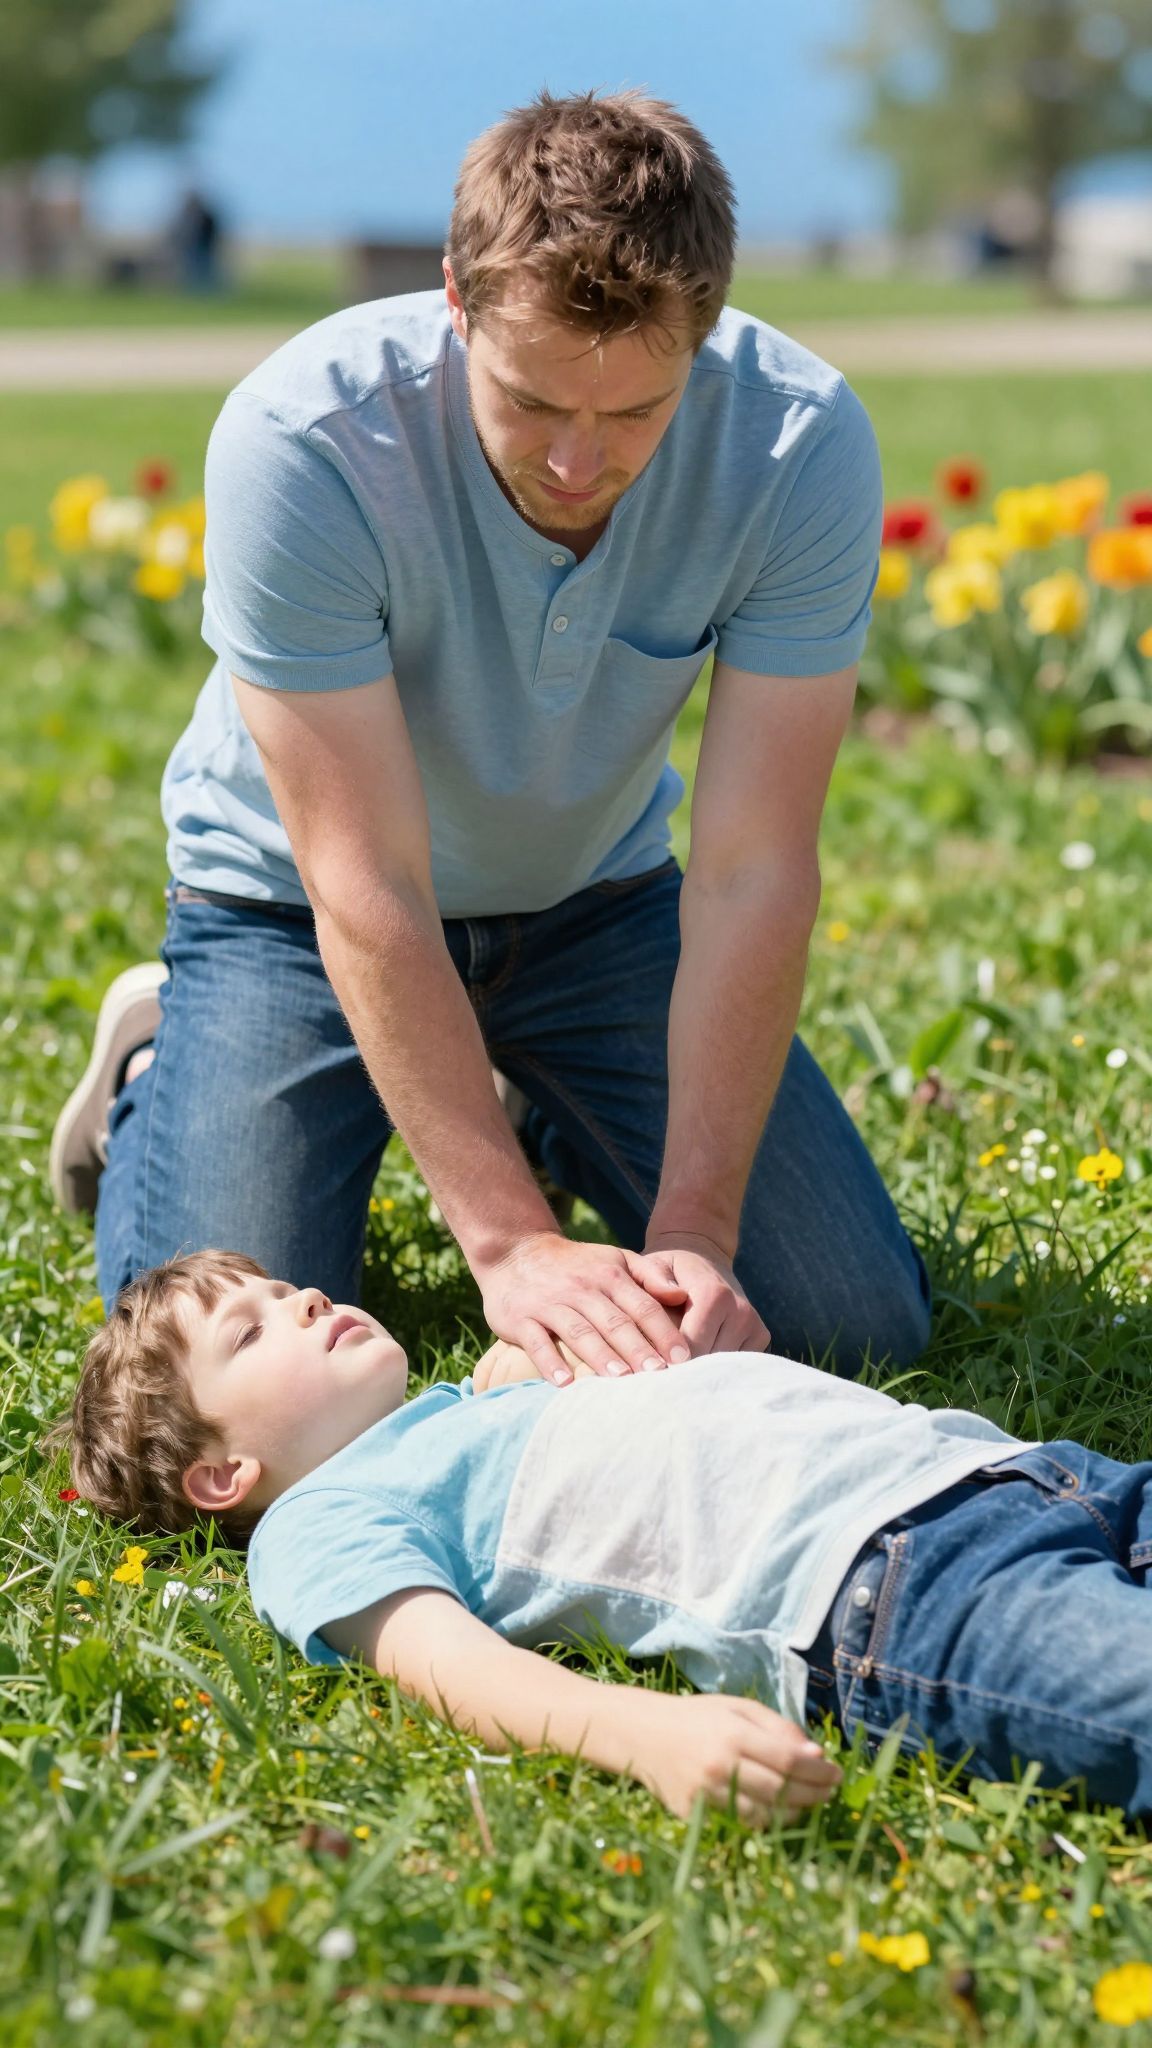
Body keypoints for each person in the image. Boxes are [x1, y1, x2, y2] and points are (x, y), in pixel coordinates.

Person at [50, 88, 930, 1387]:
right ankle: (159, 1061)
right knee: (218, 1386)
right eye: (533, 403)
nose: (580, 461)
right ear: (457, 299)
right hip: (290, 915)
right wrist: (510, 1245)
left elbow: (752, 869)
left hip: (594, 907)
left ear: (706, 327)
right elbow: (365, 879)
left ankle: (538, 1102)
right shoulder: (306, 442)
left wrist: (697, 1232)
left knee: (847, 1319)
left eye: (636, 413)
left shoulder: (798, 444)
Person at [46, 1251, 1152, 1822]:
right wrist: (644, 1736)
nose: (305, 1297)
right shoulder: (317, 1523)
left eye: (284, 1286)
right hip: (893, 1590)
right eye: (253, 1326)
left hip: (1015, 1470)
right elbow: (454, 1668)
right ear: (221, 1474)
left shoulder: (476, 1406)